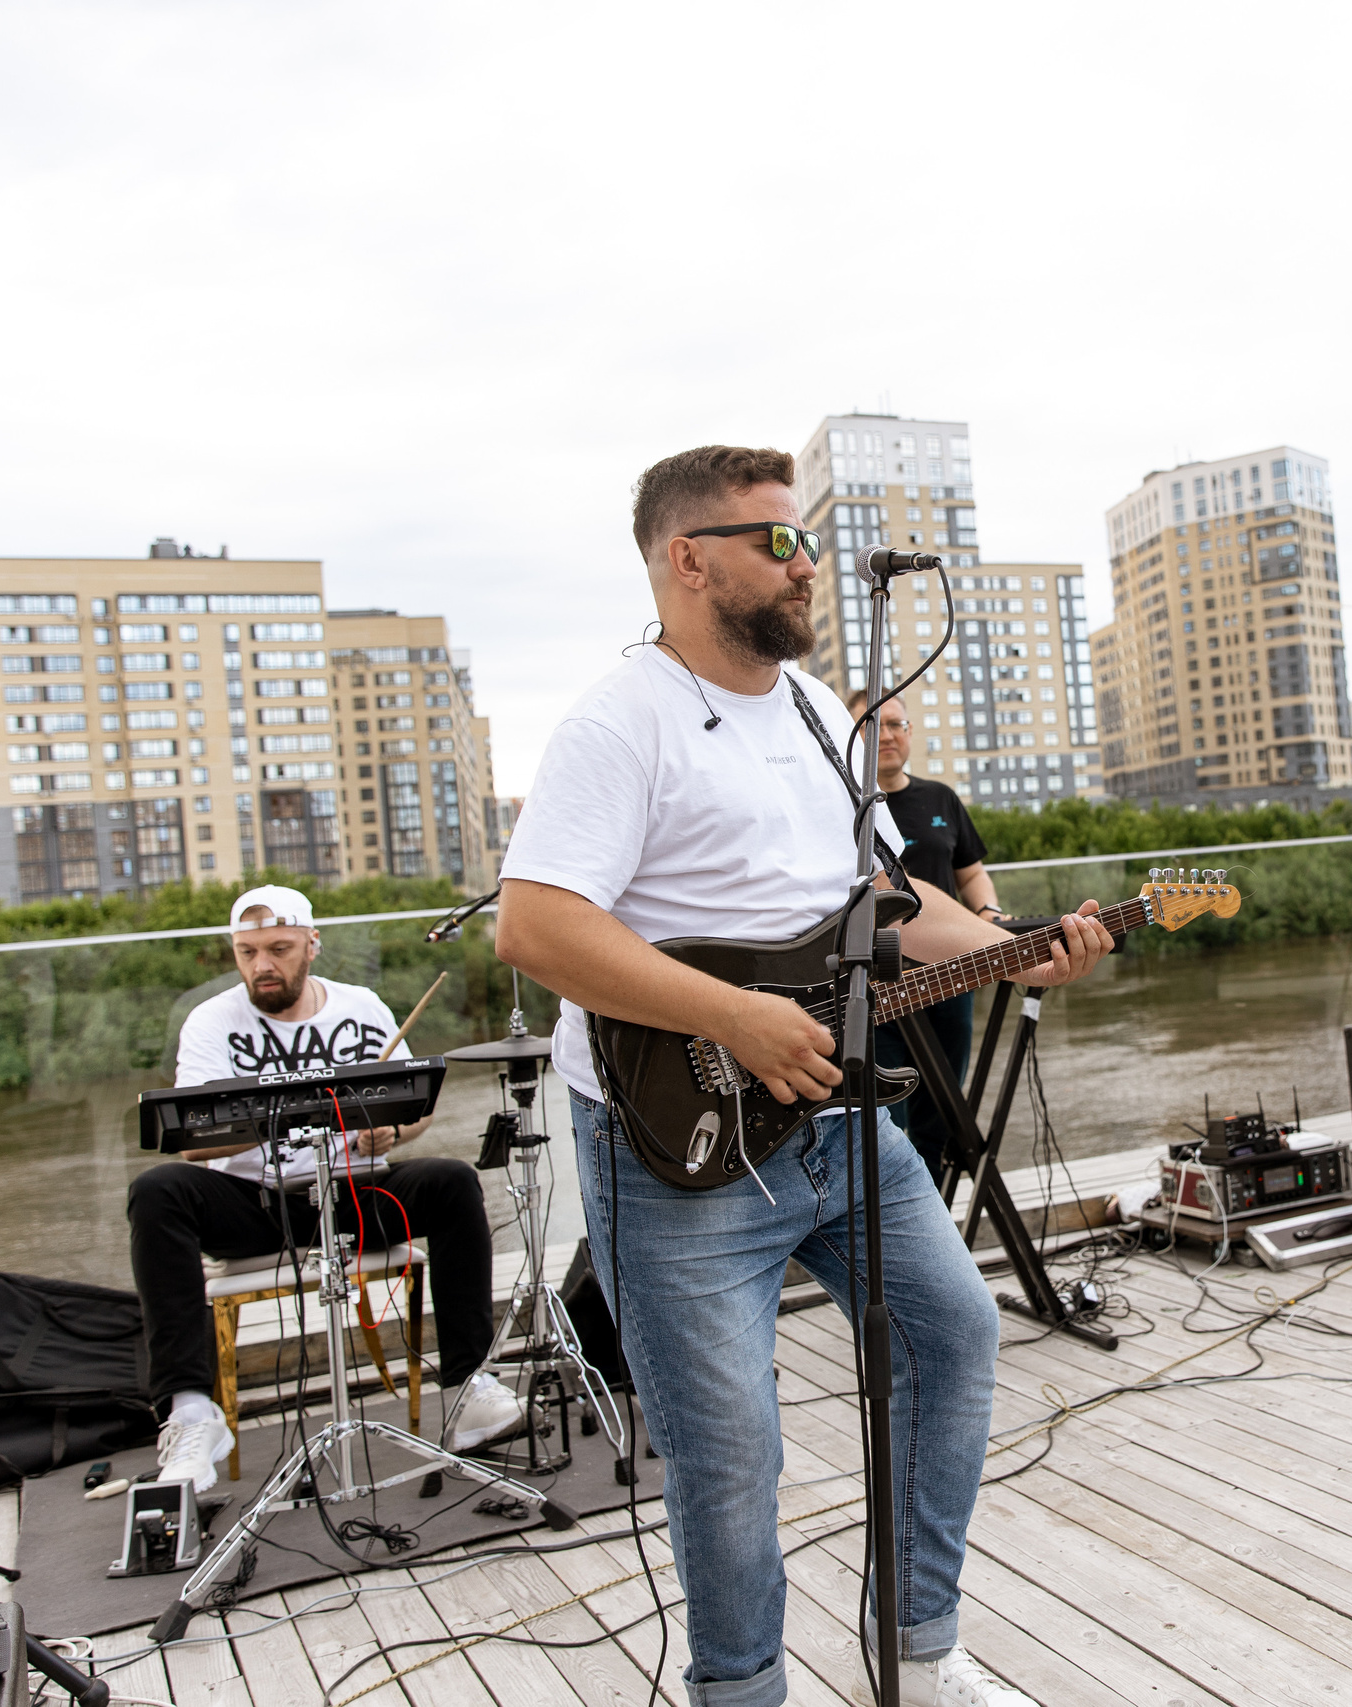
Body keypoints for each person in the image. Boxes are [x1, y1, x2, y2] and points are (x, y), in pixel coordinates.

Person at [494, 444, 1114, 1707]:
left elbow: (883, 897)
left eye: (809, 539)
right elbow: (536, 927)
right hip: (672, 1145)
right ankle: (742, 1693)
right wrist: (738, 1018)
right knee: (730, 1453)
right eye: (777, 541)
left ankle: (920, 1654)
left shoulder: (821, 708)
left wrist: (1011, 946)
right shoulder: (620, 721)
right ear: (688, 559)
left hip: (836, 1114)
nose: (808, 564)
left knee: (954, 1339)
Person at [130, 885, 522, 1494]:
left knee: (451, 1181)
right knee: (158, 1191)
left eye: (279, 949)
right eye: (247, 952)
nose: (262, 965)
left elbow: (413, 1111)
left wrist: (390, 1130)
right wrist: (288, 1112)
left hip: (354, 1194)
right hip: (257, 1205)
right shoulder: (211, 1021)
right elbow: (193, 1146)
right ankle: (191, 1412)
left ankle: (469, 1385)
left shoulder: (361, 1006)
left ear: (312, 945)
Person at [848, 686, 1004, 1180]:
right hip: (875, 985)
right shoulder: (845, 803)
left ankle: (934, 1208)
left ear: (910, 732)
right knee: (885, 1120)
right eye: (872, 726)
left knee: (943, 1110)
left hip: (950, 974)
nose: (886, 735)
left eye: (896, 724)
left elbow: (971, 873)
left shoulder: (941, 798)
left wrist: (989, 913)